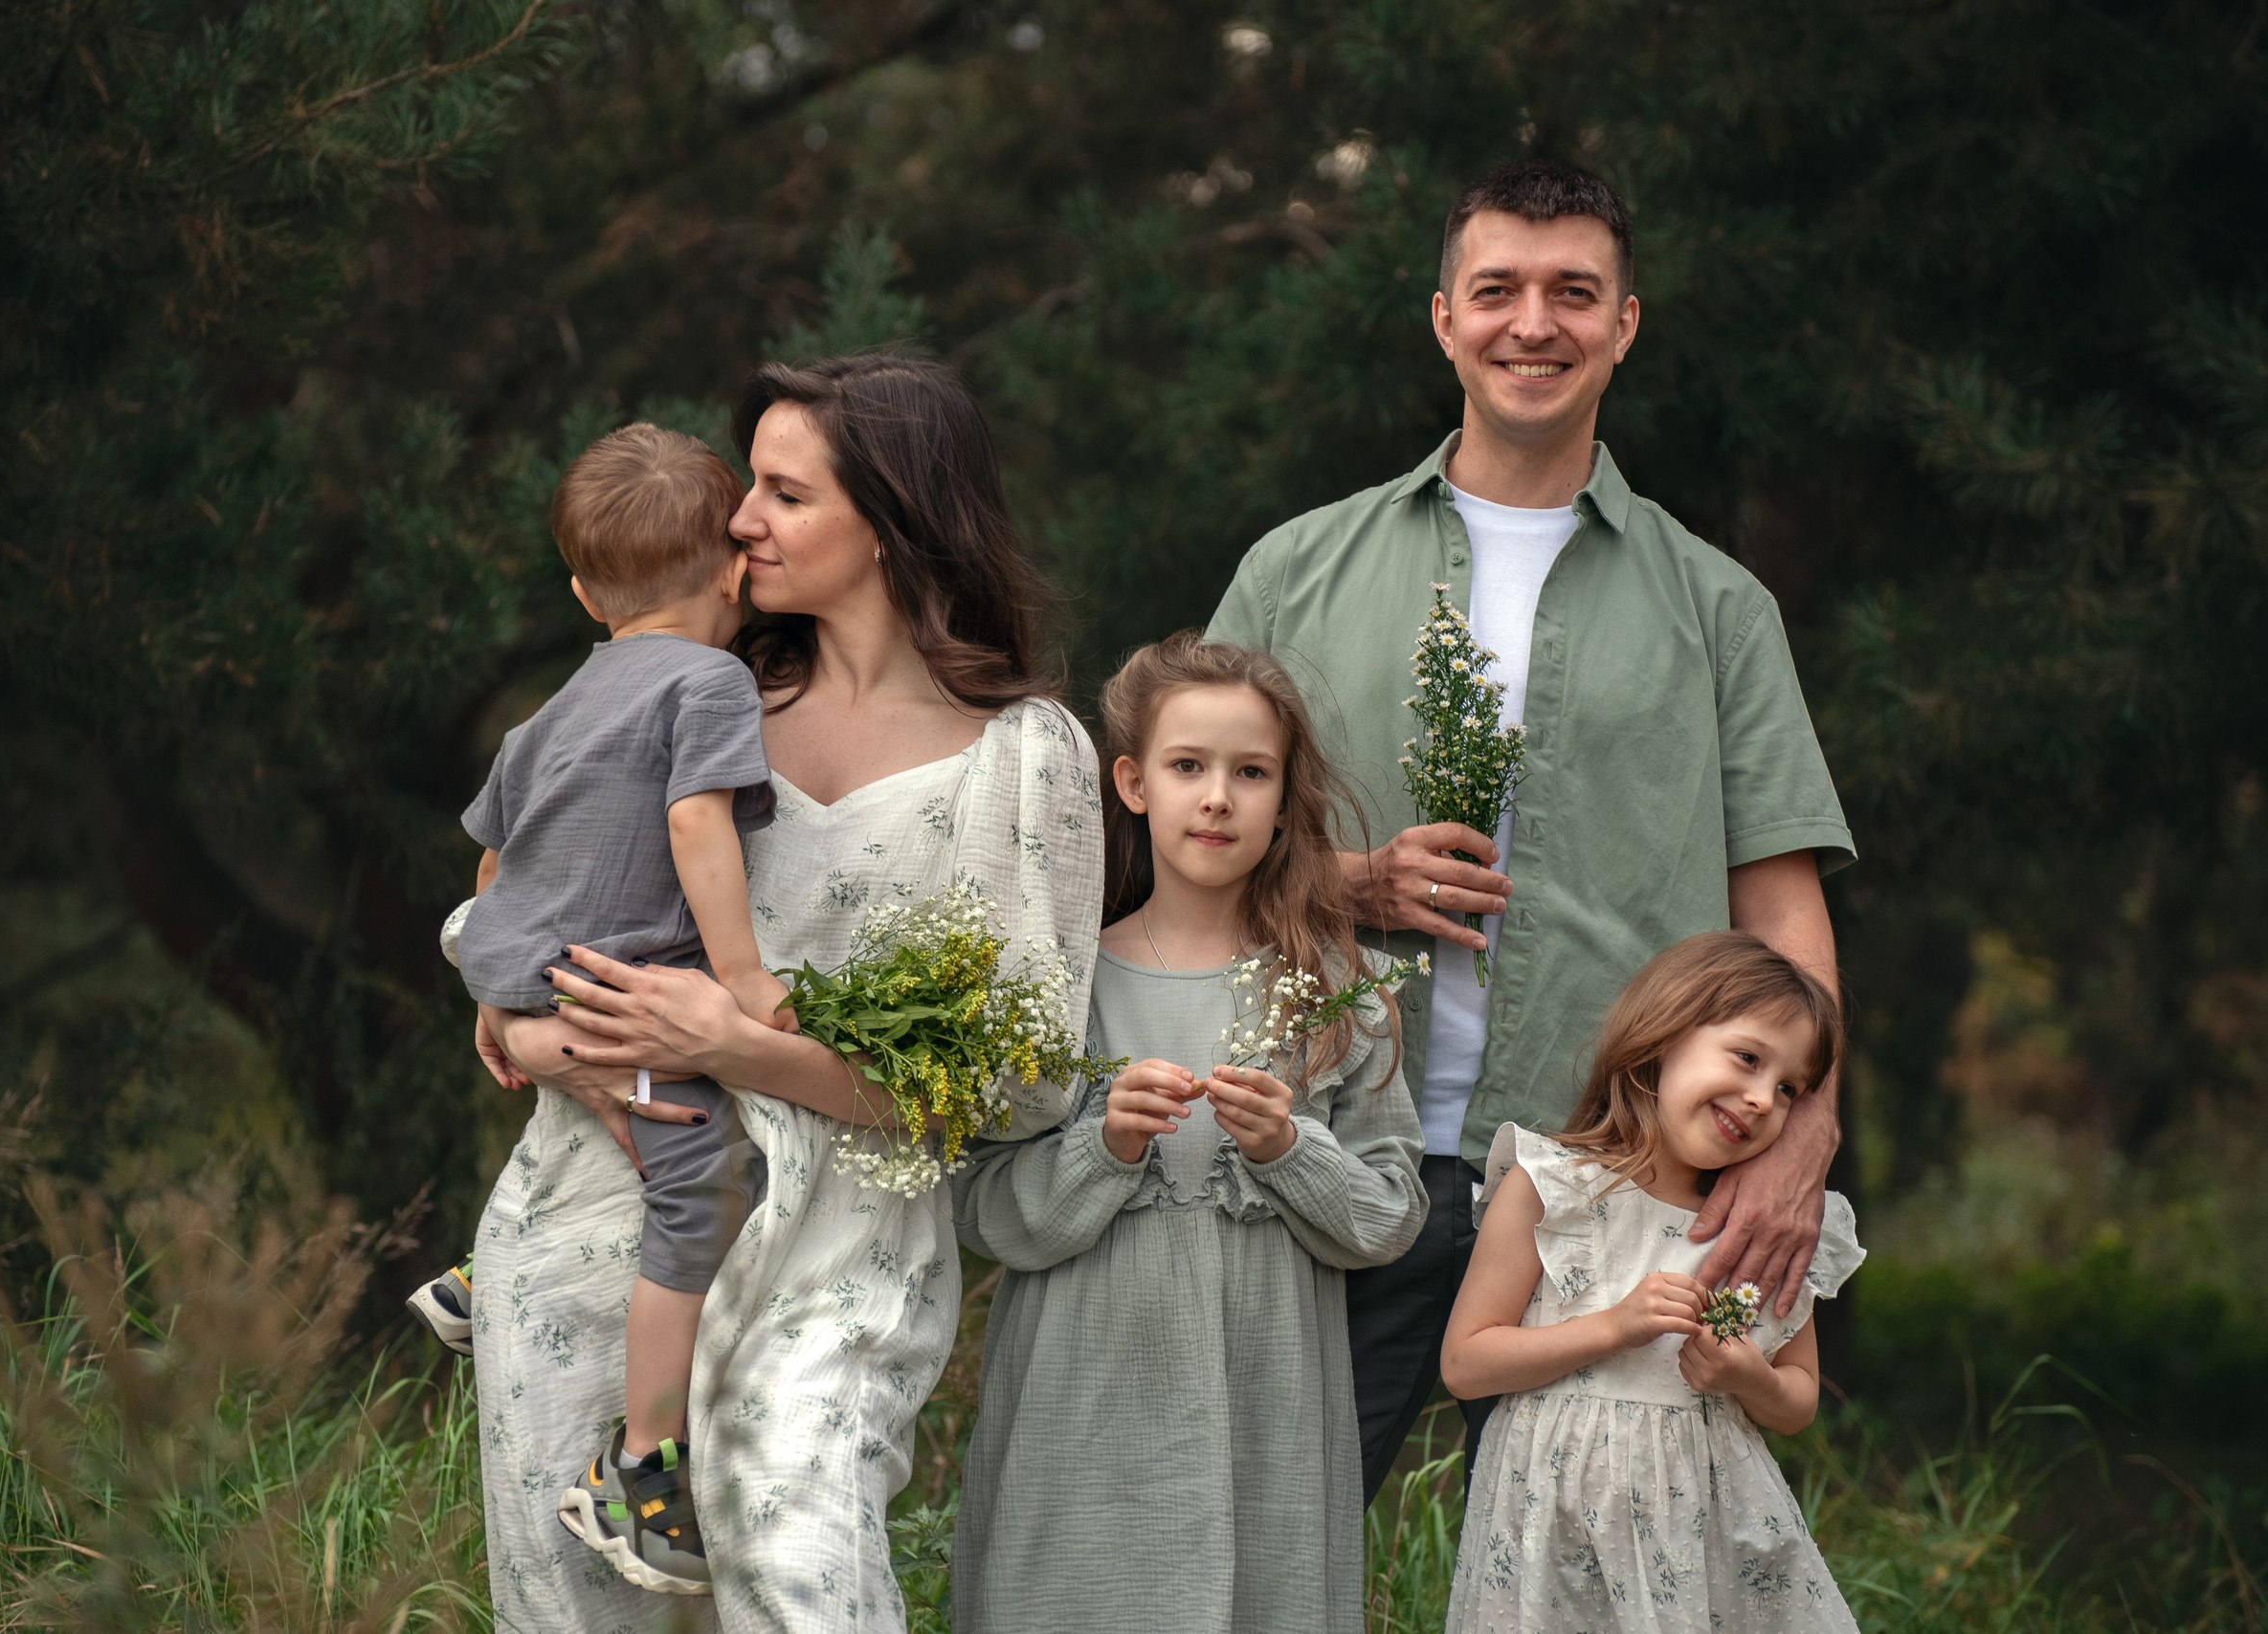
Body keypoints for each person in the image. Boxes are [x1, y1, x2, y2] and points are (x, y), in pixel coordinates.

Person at [1203, 157, 1857, 1502]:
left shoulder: (1719, 607)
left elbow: (1780, 910)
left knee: (1592, 1568)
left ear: (1625, 324)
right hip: (1333, 1153)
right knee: (1274, 1543)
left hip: (1609, 1182)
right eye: (1497, 289)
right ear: (1444, 318)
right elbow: (1171, 845)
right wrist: (1343, 880)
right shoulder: (1294, 568)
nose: (1534, 324)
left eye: (1576, 292)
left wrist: (1806, 1133)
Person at [473, 354, 1105, 1633]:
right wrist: (536, 1029)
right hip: (597, 1213)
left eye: (781, 493)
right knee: (572, 1607)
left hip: (840, 1260)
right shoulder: (690, 695)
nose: (738, 522)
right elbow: (505, 912)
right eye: (744, 487)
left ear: (893, 519)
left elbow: (1028, 1080)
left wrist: (739, 1045)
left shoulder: (1025, 759)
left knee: (808, 1593)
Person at [949, 633, 1425, 1634]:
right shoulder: (1059, 981)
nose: (1217, 797)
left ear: (1285, 793)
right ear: (1130, 782)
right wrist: (1102, 1146)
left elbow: (1387, 1221)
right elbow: (983, 1207)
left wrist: (1289, 1149)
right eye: (1188, 766)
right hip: (1081, 1407)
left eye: (1250, 772)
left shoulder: (1337, 991)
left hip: (1268, 1413)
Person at [412, 422, 802, 1594]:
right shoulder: (713, 679)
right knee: (702, 1175)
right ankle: (638, 1468)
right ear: (736, 569)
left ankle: (476, 1279)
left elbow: (492, 860)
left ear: (585, 592)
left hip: (527, 965)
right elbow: (697, 824)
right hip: (607, 984)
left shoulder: (557, 706)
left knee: (627, 1124)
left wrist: (501, 978)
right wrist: (742, 981)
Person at [1440, 931, 1864, 1631]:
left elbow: (1798, 1402)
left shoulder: (1760, 1233)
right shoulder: (1551, 1188)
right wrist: (1611, 1327)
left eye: (1789, 1088)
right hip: (1553, 1531)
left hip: (1707, 1538)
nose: (1763, 1099)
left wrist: (1747, 1376)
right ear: (1663, 1036)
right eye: (1748, 1059)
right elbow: (1465, 1363)